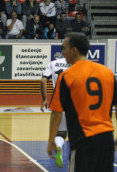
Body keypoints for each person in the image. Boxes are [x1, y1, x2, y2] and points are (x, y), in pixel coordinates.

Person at [47, 32, 115, 171]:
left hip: (82, 140)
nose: (62, 52)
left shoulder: (67, 76)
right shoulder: (108, 73)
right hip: (106, 140)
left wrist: (51, 141)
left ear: (74, 50)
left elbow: (56, 113)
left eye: (64, 48)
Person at [40, 55, 70, 168]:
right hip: (77, 101)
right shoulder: (78, 63)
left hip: (59, 99)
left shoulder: (53, 63)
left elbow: (43, 81)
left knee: (61, 133)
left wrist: (44, 100)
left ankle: (58, 146)